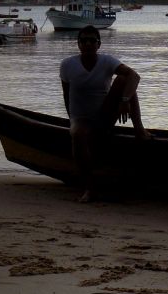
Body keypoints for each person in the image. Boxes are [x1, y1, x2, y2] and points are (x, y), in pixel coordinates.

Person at [60, 25, 150, 202]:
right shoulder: (67, 65)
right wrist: (72, 121)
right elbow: (66, 95)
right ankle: (89, 188)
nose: (88, 44)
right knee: (77, 135)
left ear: (98, 44)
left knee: (125, 79)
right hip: (81, 119)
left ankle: (139, 129)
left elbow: (135, 76)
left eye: (92, 40)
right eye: (83, 40)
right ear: (78, 44)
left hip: (104, 116)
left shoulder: (107, 61)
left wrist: (124, 101)